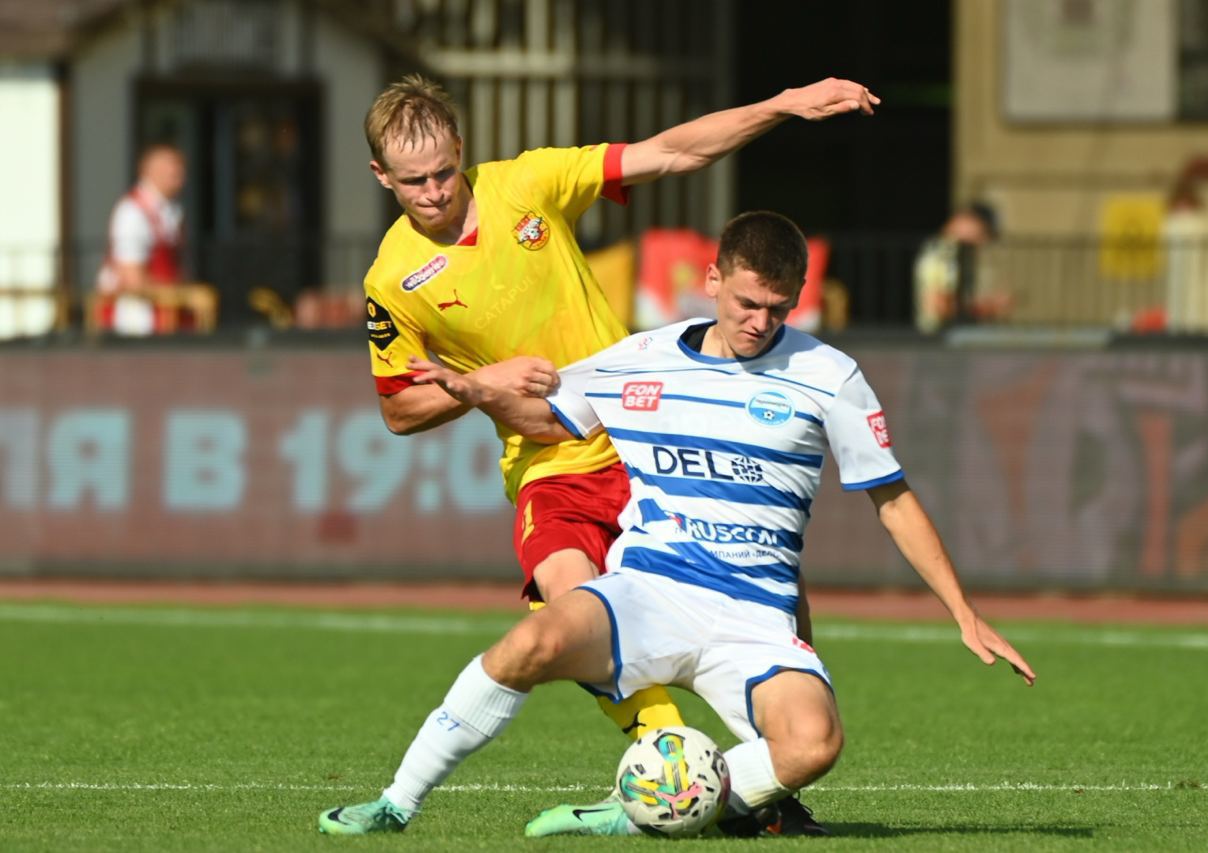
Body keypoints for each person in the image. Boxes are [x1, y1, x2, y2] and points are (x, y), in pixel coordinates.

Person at [319, 211, 1036, 837]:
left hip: (756, 616)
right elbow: (546, 419)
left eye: (780, 308)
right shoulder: (642, 359)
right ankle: (395, 802)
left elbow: (894, 498)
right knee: (530, 640)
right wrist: (478, 391)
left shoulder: (830, 376)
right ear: (714, 277)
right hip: (649, 591)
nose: (762, 322)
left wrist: (962, 611)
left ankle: (637, 811)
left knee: (814, 742)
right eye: (749, 302)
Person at [357, 74, 879, 834]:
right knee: (574, 611)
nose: (433, 192)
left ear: (462, 152)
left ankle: (766, 789)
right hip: (549, 463)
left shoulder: (527, 184)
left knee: (771, 584)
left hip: (648, 438)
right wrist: (479, 385)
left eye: (443, 171)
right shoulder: (390, 279)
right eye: (412, 182)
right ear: (381, 177)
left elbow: (669, 152)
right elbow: (399, 409)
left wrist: (781, 105)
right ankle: (667, 770)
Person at [95, 143, 210, 335]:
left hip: (166, 316)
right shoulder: (132, 212)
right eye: (172, 170)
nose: (180, 177)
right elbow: (132, 278)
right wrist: (182, 296)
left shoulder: (170, 211)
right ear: (151, 172)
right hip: (138, 320)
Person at [912, 201, 1007, 332]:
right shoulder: (941, 257)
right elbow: (937, 306)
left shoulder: (956, 256)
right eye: (983, 232)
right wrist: (986, 307)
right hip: (939, 338)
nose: (983, 242)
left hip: (950, 335)